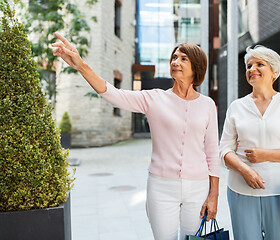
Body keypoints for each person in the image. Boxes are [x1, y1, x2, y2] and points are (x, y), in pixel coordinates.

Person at [52, 33, 220, 240]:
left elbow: (213, 152)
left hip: (198, 187)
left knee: (194, 238)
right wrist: (80, 65)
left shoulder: (207, 105)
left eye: (183, 58)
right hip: (162, 187)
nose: (176, 61)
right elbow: (112, 93)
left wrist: (214, 195)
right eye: (174, 58)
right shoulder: (154, 98)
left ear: (197, 67)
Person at [219, 45, 280, 240]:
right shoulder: (236, 107)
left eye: (259, 64)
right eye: (249, 65)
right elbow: (224, 151)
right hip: (240, 192)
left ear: (274, 72)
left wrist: (265, 155)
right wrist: (245, 170)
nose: (251, 69)